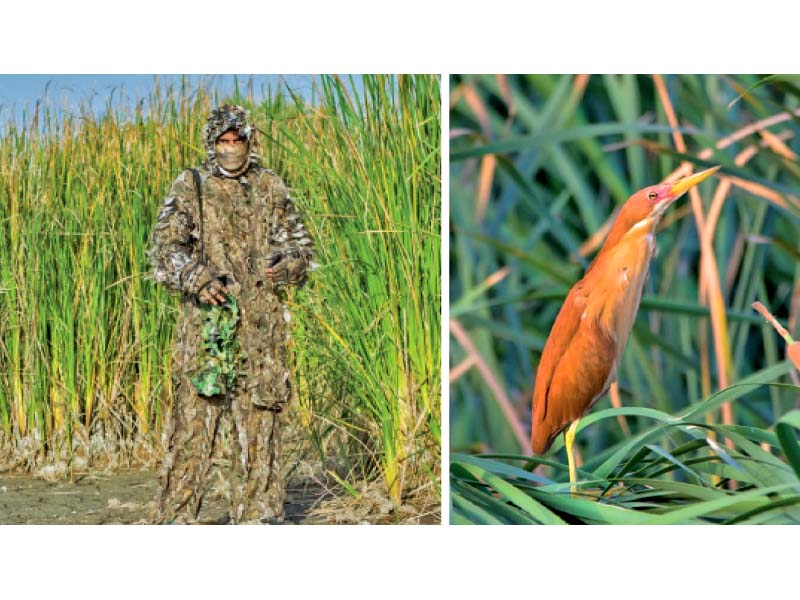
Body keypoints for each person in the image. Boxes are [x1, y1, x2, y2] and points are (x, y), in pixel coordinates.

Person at [148, 104, 313, 523]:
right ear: (211, 144)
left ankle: (258, 520)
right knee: (191, 434)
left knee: (262, 431)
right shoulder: (192, 186)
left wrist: (287, 263)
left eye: (238, 140)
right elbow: (164, 250)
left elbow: (301, 249)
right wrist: (197, 276)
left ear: (249, 142)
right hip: (208, 331)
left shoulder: (270, 186)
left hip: (261, 333)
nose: (231, 149)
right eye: (223, 141)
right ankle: (175, 520)